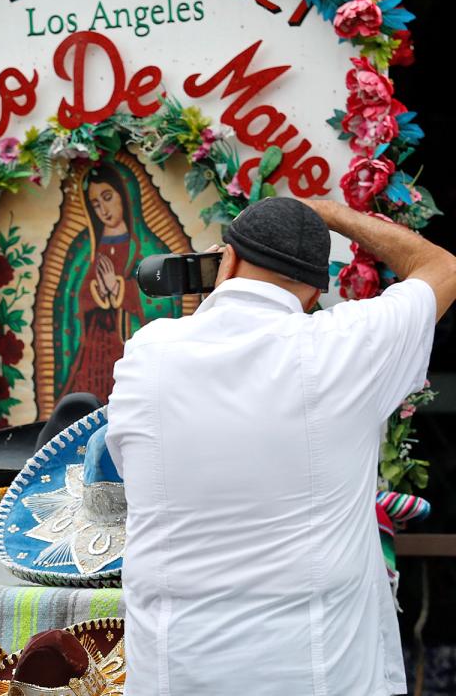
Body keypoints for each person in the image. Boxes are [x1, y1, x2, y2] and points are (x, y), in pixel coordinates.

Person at [105, 196, 456, 696]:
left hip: (176, 670)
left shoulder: (145, 355)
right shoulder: (347, 347)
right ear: (314, 293)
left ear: (224, 260)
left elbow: (129, 471)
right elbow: (442, 266)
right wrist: (332, 214)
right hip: (316, 674)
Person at [52, 162, 174, 403]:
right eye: (95, 204)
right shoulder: (84, 249)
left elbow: (165, 305)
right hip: (92, 350)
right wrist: (97, 290)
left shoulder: (149, 248)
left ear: (125, 196)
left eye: (108, 197)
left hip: (129, 348)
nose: (103, 210)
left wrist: (119, 288)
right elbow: (68, 298)